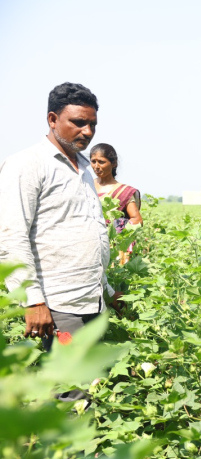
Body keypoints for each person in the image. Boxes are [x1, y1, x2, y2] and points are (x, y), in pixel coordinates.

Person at [0, 82, 121, 350]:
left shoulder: (84, 168)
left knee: (92, 376)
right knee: (71, 377)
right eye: (78, 122)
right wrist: (33, 301)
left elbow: (87, 232)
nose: (87, 131)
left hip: (91, 300)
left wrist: (108, 292)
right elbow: (11, 238)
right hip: (58, 305)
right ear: (53, 120)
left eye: (92, 124)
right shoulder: (27, 164)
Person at [90, 143, 143, 232]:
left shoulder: (124, 191)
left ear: (114, 163)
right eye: (93, 161)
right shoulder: (86, 185)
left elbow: (137, 220)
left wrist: (114, 229)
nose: (96, 166)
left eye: (101, 162)